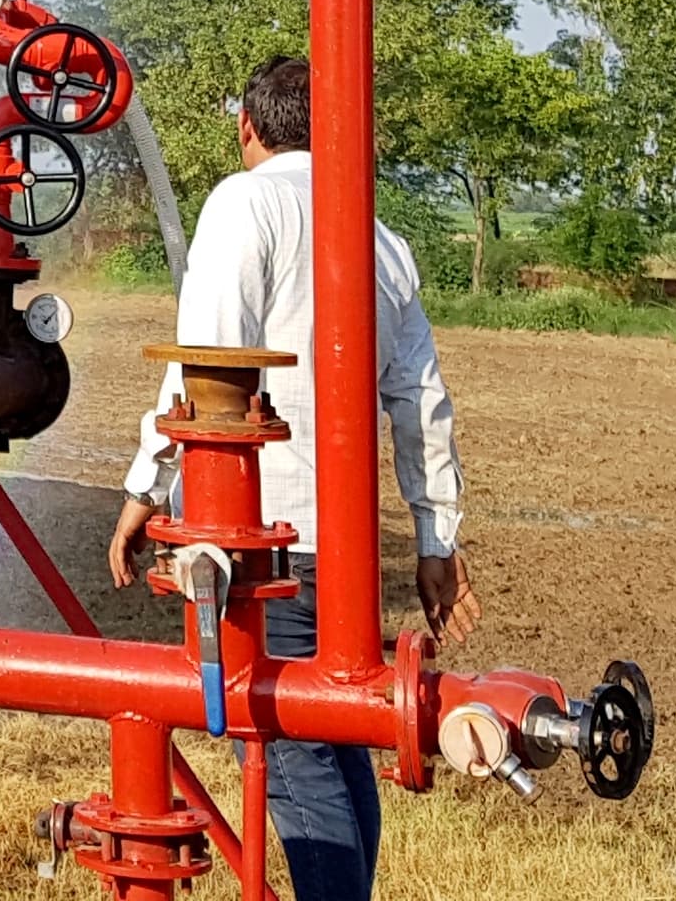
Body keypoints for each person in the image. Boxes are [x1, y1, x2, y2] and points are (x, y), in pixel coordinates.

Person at [103, 56, 473, 901]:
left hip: (257, 538)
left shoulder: (245, 203)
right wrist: (435, 539)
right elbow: (421, 400)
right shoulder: (379, 236)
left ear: (247, 128)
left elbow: (210, 370)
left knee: (285, 739)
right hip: (341, 549)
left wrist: (144, 486)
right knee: (335, 734)